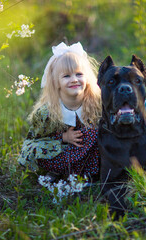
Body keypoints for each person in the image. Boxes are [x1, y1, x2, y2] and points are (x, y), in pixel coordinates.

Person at [17, 42, 102, 182]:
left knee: (94, 133)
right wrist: (63, 137)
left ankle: (85, 174)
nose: (74, 79)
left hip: (90, 155)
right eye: (66, 76)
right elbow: (33, 142)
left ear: (87, 78)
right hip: (62, 156)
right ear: (56, 82)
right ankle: (60, 172)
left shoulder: (97, 102)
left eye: (79, 74)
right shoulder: (47, 112)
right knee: (39, 152)